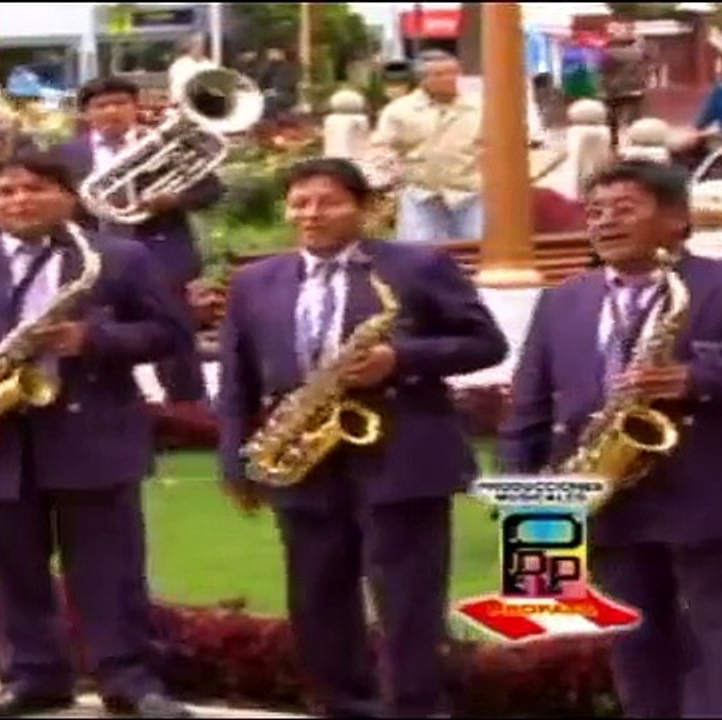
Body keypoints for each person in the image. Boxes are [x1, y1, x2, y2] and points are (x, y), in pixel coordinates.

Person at [0, 151, 195, 719]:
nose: (19, 200)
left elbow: (170, 334)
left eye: (34, 188)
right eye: (4, 191)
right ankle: (33, 677)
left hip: (93, 434)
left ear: (68, 196)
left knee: (111, 569)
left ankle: (129, 678)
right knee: (13, 569)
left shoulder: (118, 257)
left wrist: (94, 341)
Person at [216, 157, 508, 717]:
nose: (311, 214)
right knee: (317, 595)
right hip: (302, 459)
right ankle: (342, 703)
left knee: (407, 599)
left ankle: (416, 706)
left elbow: (487, 344)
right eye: (300, 203)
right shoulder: (256, 281)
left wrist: (399, 358)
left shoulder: (418, 266)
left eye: (328, 201)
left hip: (404, 454)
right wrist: (236, 459)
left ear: (364, 208)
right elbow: (237, 381)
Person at [500, 159, 722, 718]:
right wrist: (522, 496)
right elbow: (529, 404)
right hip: (606, 501)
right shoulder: (564, 298)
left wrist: (702, 379)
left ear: (677, 220)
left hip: (713, 502)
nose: (605, 222)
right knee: (634, 646)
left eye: (624, 209)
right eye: (595, 212)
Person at [56, 76, 219, 409]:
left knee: (175, 336)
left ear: (135, 107)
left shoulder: (162, 144)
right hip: (95, 257)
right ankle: (104, 409)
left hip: (160, 254)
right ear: (87, 114)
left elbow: (211, 190)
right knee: (98, 335)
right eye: (102, 106)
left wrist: (173, 199)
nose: (112, 111)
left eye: (121, 103)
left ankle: (190, 414)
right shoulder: (65, 155)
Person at [372, 49, 485, 244]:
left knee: (480, 253)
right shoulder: (399, 111)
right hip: (422, 197)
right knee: (420, 255)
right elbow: (382, 147)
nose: (449, 79)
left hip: (470, 195)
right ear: (423, 79)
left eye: (453, 73)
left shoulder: (479, 107)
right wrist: (387, 173)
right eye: (440, 75)